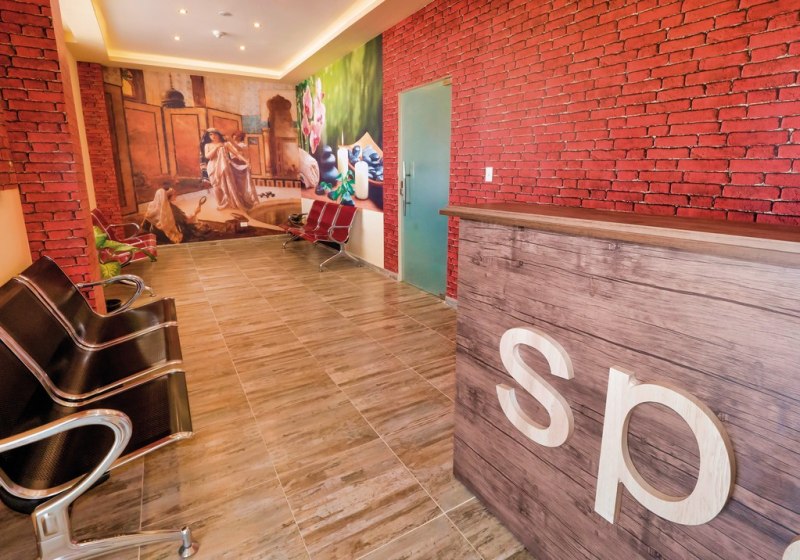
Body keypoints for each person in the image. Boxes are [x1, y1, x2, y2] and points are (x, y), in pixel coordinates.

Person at [201, 128, 255, 211]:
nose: (213, 136)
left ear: (219, 135)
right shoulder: (207, 145)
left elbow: (237, 154)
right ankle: (220, 204)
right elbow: (208, 156)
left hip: (225, 167)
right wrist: (216, 147)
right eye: (211, 134)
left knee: (226, 186)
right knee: (216, 186)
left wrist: (246, 161)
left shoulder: (226, 144)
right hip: (212, 167)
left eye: (215, 134)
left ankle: (227, 202)